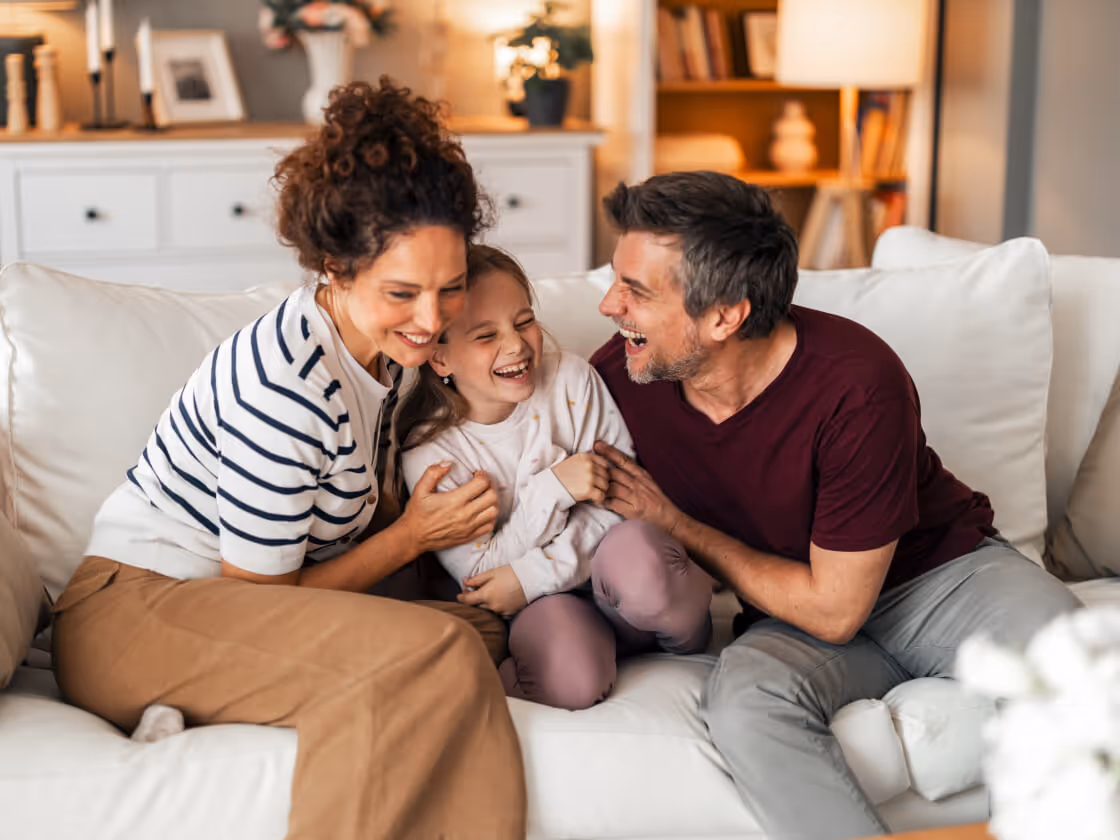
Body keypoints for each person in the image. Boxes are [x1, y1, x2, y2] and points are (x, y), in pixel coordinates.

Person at [50, 79, 526, 840]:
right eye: (403, 293)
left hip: (224, 611)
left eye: (452, 287)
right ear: (335, 270)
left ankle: (217, 710)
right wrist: (410, 539)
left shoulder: (388, 352)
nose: (432, 319)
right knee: (436, 651)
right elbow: (263, 600)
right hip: (137, 613)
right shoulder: (289, 384)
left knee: (480, 632)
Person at [589, 171, 1080, 840]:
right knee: (746, 706)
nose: (609, 306)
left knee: (1079, 671)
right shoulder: (621, 377)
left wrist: (676, 525)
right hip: (792, 611)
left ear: (724, 315)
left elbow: (838, 605)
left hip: (937, 579)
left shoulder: (856, 385)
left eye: (636, 291)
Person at [398, 244, 713, 711]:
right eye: (486, 335)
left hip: (616, 575)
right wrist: (553, 489)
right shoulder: (432, 457)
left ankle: (674, 638)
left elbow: (620, 504)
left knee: (644, 569)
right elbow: (483, 578)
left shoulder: (571, 380)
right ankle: (551, 660)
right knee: (570, 681)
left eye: (524, 321)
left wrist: (529, 574)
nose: (517, 345)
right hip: (548, 611)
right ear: (440, 360)